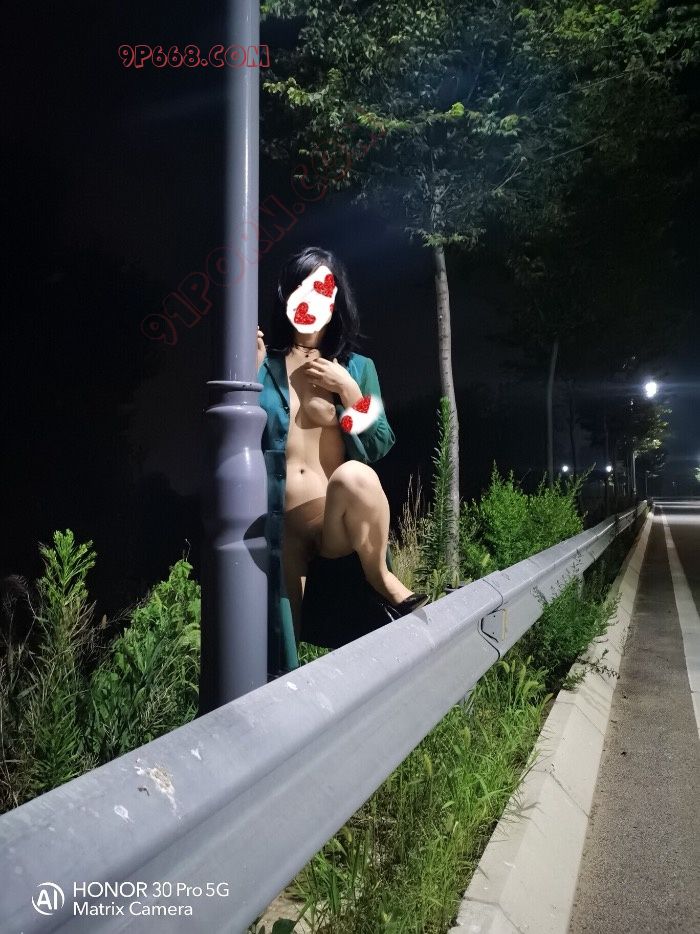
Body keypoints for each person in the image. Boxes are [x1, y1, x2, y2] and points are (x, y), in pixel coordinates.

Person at [257, 246, 428, 678]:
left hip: (328, 520)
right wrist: (250, 372)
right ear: (286, 295)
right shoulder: (266, 365)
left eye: (321, 288)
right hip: (280, 525)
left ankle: (379, 576)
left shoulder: (356, 367)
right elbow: (240, 436)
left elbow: (378, 444)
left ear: (335, 301)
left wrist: (349, 391)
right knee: (283, 661)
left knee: (356, 476)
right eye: (299, 286)